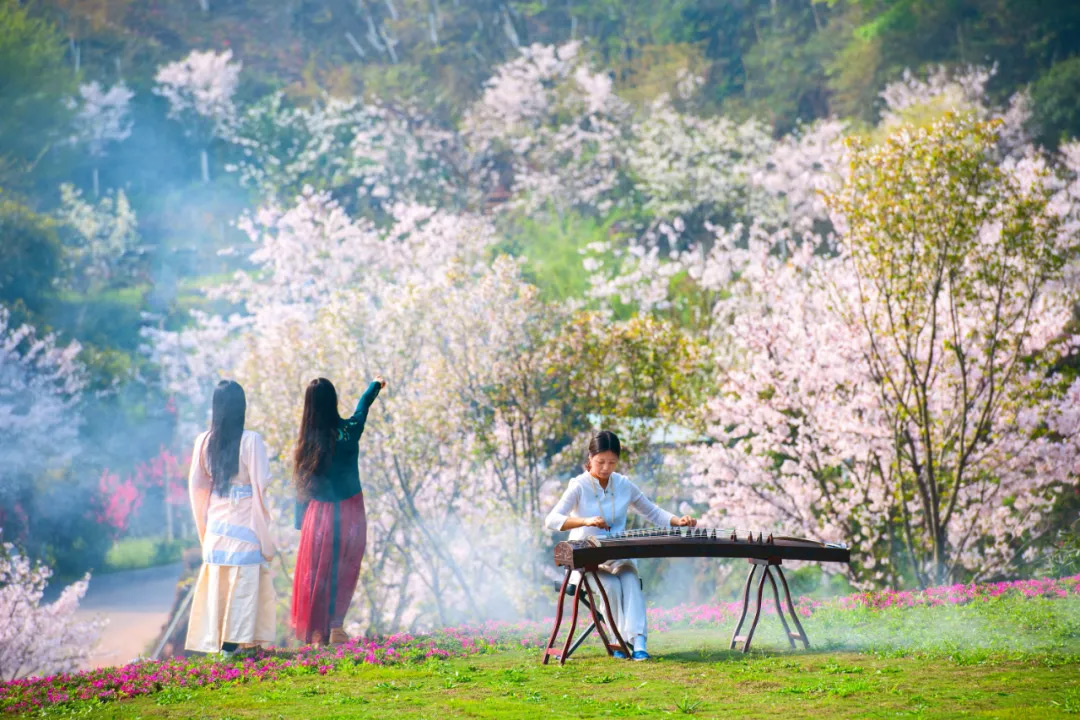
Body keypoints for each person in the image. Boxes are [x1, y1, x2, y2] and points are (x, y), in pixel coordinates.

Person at [544, 430, 695, 661]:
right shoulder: (579, 486)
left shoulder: (623, 484)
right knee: (611, 587)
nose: (606, 467)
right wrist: (586, 520)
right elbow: (552, 520)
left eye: (612, 462)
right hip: (585, 561)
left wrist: (679, 521)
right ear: (590, 457)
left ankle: (639, 642)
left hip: (617, 555)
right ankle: (619, 641)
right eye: (600, 462)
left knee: (630, 580)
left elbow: (651, 511)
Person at [290, 375, 385, 646]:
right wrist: (375, 385)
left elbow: (301, 485)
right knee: (345, 568)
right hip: (351, 512)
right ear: (333, 402)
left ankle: (318, 634)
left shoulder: (307, 443)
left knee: (318, 573)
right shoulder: (350, 430)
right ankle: (336, 628)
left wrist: (300, 523)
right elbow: (362, 408)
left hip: (318, 516)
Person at [186, 380, 277, 655]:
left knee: (220, 585)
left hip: (216, 523)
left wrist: (203, 526)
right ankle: (237, 644)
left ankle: (223, 645)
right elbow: (262, 483)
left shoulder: (203, 441)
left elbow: (197, 484)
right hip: (245, 522)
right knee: (244, 586)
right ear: (241, 408)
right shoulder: (251, 440)